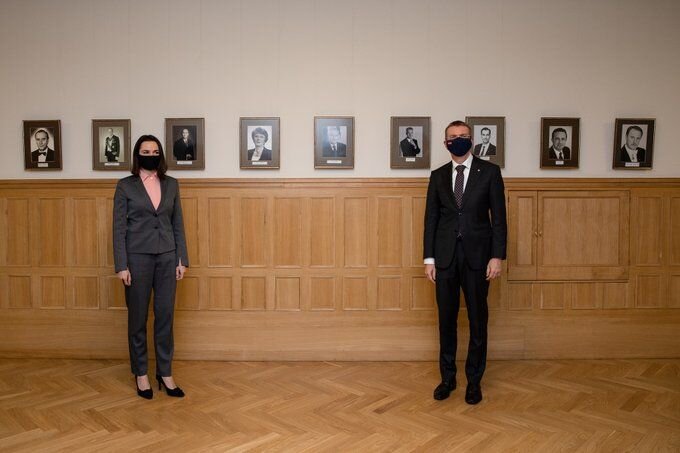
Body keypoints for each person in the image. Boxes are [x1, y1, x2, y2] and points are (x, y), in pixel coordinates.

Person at [423, 120, 507, 405]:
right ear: (445, 142)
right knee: (446, 320)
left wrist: (496, 256)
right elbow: (431, 220)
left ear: (471, 140)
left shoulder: (490, 172)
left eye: (463, 135)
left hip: (478, 258)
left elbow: (499, 218)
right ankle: (448, 378)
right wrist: (429, 259)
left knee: (477, 320)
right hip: (444, 259)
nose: (458, 139)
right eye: (452, 136)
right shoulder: (438, 176)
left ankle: (474, 381)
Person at [113, 134, 189, 400]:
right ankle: (141, 373)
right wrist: (122, 264)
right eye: (145, 152)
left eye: (155, 151)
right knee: (138, 319)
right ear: (137, 155)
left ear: (161, 155)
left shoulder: (172, 184)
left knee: (165, 317)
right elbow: (118, 228)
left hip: (167, 258)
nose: (150, 155)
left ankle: (165, 373)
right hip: (137, 260)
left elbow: (177, 223)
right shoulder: (125, 186)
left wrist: (182, 259)